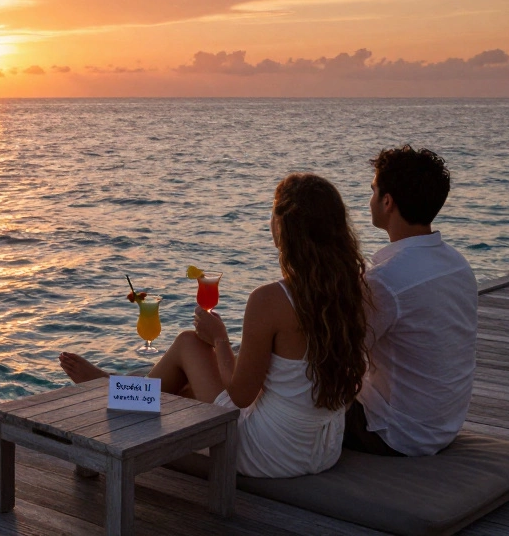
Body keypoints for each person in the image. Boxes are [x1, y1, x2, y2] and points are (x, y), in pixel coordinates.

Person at [60, 173, 370, 478]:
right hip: (323, 448)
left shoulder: (271, 300)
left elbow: (240, 395)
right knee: (185, 390)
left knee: (188, 344)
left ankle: (114, 394)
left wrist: (219, 339)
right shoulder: (354, 291)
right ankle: (121, 390)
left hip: (270, 452)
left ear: (283, 226)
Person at [344, 145, 478, 457]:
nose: (371, 199)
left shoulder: (386, 280)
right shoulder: (457, 263)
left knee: (290, 394)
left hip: (395, 432)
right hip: (442, 424)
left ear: (387, 201)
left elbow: (339, 355)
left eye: (373, 190)